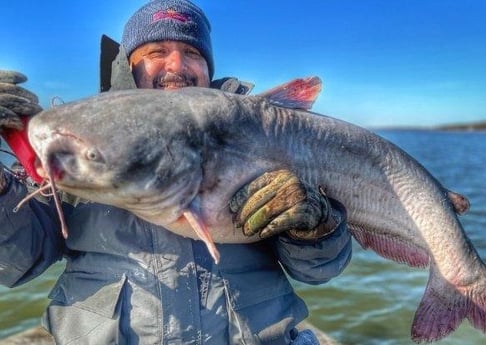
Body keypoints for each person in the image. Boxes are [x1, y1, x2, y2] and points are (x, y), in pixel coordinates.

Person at [0, 1, 352, 344]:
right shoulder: (77, 145)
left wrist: (317, 226)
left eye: (192, 52)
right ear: (128, 65)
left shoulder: (260, 137)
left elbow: (319, 270)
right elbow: (17, 264)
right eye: (156, 51)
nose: (177, 65)